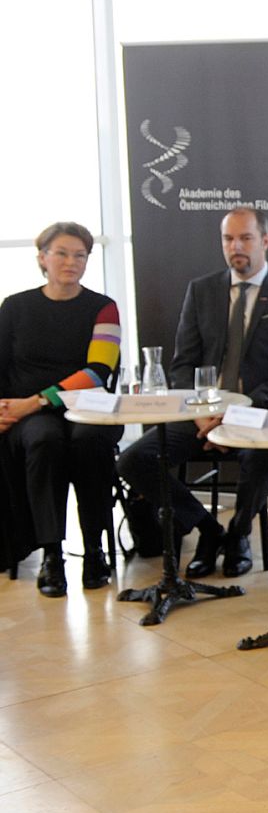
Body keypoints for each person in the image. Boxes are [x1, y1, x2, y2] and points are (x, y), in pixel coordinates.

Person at [116, 206, 268, 579]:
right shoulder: (202, 290)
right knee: (132, 460)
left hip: (257, 413)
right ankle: (210, 531)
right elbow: (182, 364)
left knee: (264, 460)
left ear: (265, 241)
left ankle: (239, 535)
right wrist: (202, 414)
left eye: (245, 238)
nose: (236, 246)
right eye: (228, 239)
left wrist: (236, 413)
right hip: (201, 414)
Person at [0, 222, 123, 596]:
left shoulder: (104, 307)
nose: (71, 261)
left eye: (80, 255)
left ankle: (95, 549)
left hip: (87, 407)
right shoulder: (15, 306)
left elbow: (98, 371)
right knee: (44, 442)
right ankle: (52, 554)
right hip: (31, 418)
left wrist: (34, 401)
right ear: (42, 258)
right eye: (62, 253)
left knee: (90, 444)